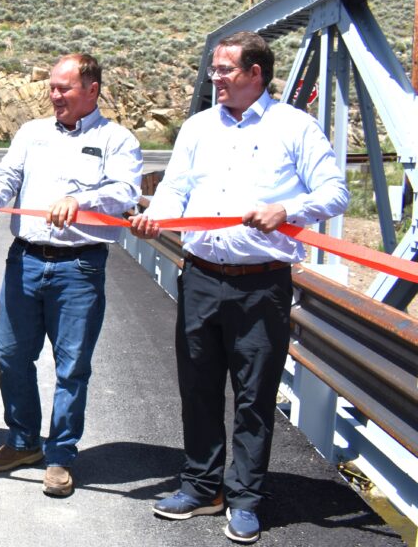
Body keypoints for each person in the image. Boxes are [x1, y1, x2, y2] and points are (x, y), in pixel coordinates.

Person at [130, 31, 347, 543]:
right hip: (202, 276)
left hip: (261, 286)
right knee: (198, 389)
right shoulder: (199, 127)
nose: (215, 78)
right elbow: (177, 188)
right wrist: (154, 218)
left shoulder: (294, 127)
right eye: (214, 70)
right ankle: (204, 487)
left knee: (253, 396)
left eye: (225, 70)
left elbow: (334, 192)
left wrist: (286, 210)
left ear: (256, 73)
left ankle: (246, 496)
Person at [0, 53, 143, 497]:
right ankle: (24, 441)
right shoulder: (32, 133)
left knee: (71, 368)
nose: (54, 95)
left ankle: (61, 454)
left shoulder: (116, 139)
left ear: (92, 90)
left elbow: (126, 190)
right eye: (51, 86)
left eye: (64, 88)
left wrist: (81, 200)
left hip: (79, 266)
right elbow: (7, 174)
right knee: (11, 356)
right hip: (25, 260)